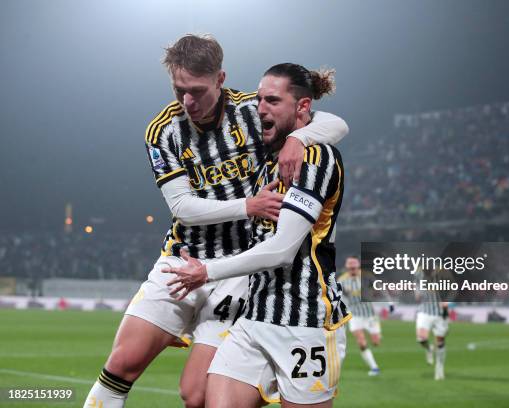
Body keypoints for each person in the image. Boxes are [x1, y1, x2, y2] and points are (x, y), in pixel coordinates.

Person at [83, 34, 348, 408]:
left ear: (220, 79)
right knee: (122, 362)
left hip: (240, 269)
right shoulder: (163, 131)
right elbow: (182, 207)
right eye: (179, 90)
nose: (187, 102)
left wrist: (299, 139)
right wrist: (248, 206)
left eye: (197, 90)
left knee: (196, 395)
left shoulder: (253, 111)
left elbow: (335, 123)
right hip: (182, 257)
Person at [163, 62, 351, 408]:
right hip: (255, 317)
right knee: (203, 398)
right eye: (260, 99)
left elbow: (281, 250)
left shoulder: (315, 158)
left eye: (273, 101)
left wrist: (207, 272)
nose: (260, 108)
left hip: (305, 322)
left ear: (303, 106)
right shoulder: (270, 158)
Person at [338, 256, 382, 376]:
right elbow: (340, 298)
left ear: (358, 265)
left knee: (376, 342)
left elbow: (379, 288)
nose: (352, 267)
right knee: (361, 341)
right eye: (350, 265)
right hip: (355, 315)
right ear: (347, 267)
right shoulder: (341, 280)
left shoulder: (367, 277)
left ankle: (375, 341)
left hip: (370, 314)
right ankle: (374, 367)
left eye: (354, 264)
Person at [414, 267, 452, 380]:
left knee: (440, 341)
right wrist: (418, 292)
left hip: (439, 313)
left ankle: (439, 368)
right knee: (421, 338)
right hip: (424, 311)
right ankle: (429, 349)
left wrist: (446, 302)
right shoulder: (418, 276)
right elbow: (417, 297)